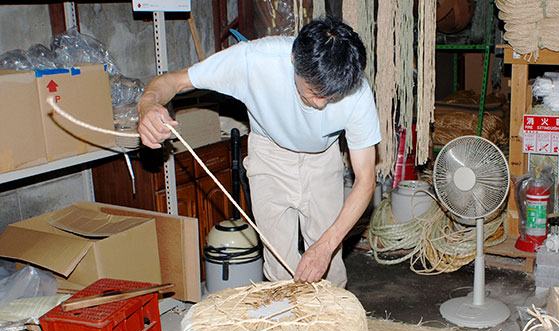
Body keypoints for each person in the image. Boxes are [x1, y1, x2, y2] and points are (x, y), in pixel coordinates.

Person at [137, 17, 381, 287]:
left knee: (328, 264)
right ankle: (284, 326)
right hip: (269, 153)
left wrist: (326, 245)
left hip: (322, 159)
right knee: (280, 266)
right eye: (313, 92)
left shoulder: (357, 92)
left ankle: (331, 326)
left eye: (331, 96)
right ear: (293, 61)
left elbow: (365, 180)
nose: (322, 105)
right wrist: (148, 106)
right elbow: (172, 82)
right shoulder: (254, 60)